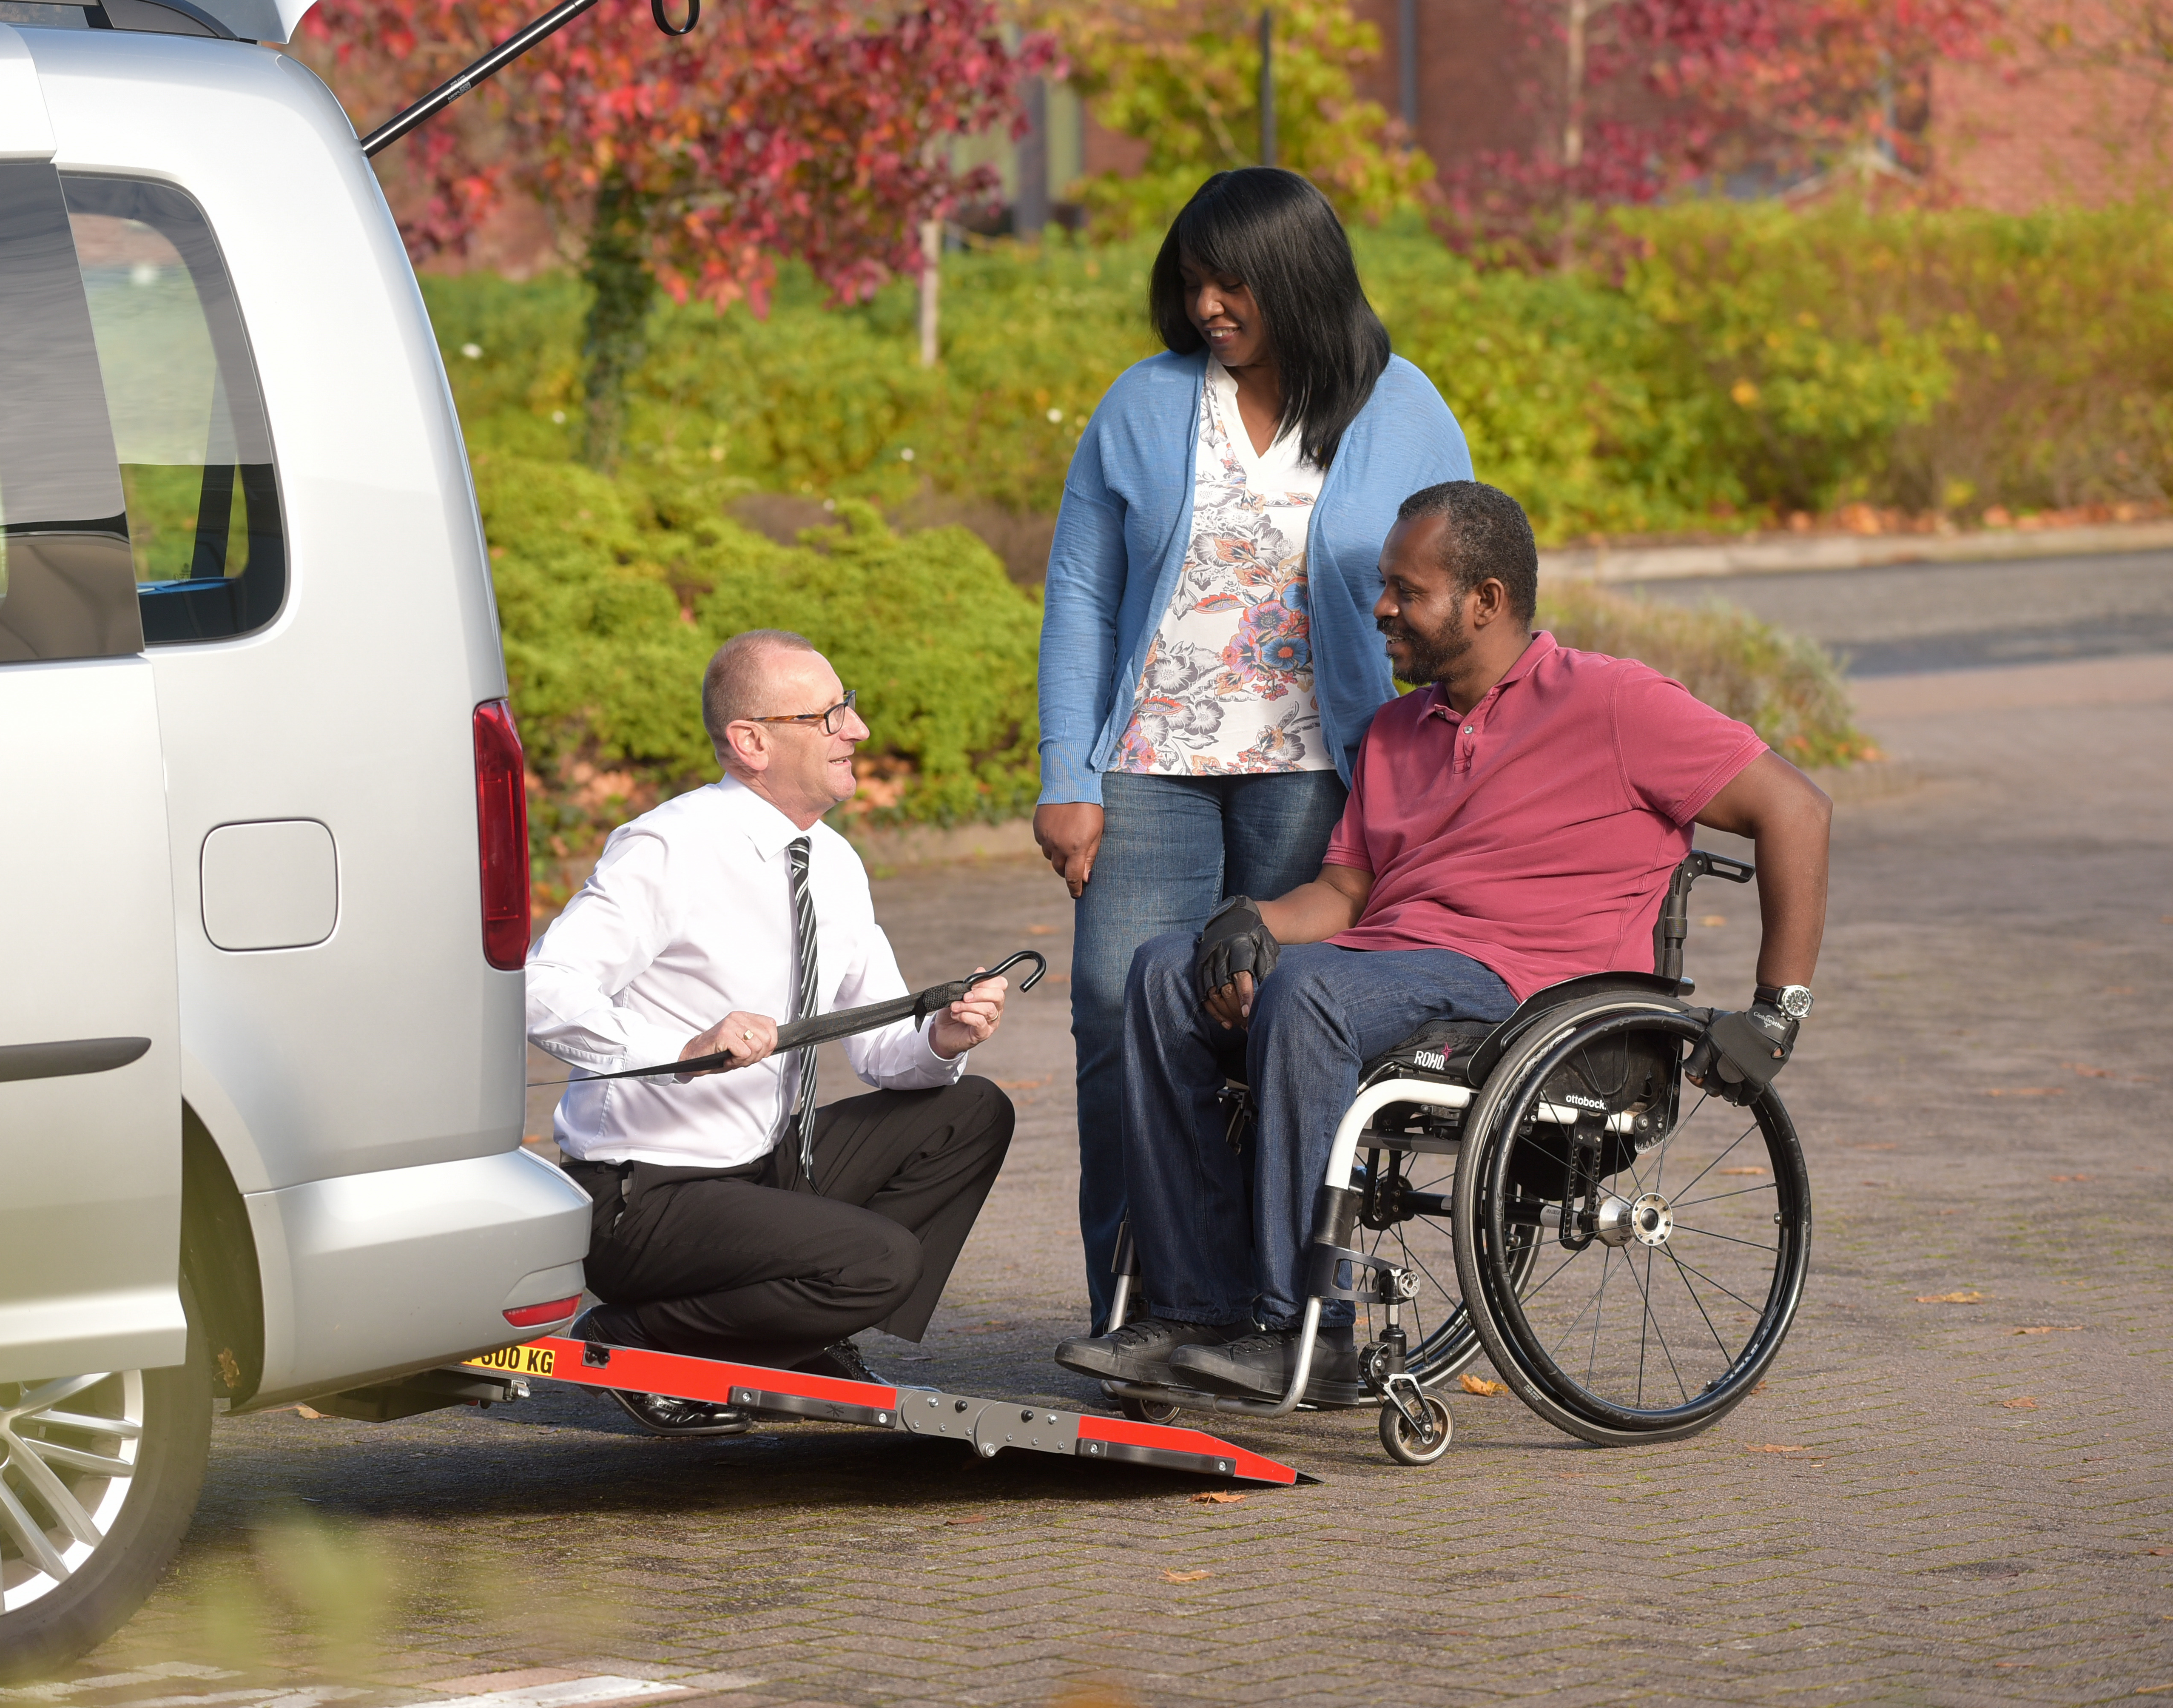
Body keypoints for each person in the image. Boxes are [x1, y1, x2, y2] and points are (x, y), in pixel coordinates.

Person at [1054, 481, 1833, 1402]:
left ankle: (1303, 1324)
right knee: (1158, 971)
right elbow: (1345, 891)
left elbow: (1795, 807)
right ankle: (1192, 1308)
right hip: (1381, 965)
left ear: (1485, 601)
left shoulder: (1616, 703)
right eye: (1383, 585)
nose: (1379, 607)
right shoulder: (1394, 732)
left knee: (1305, 992)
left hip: (1526, 994)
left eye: (1403, 590)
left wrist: (1775, 1010)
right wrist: (1249, 924)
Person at [1031, 166, 1476, 1333]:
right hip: (1148, 769)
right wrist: (1067, 775)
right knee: (1113, 1019)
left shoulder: (1405, 408)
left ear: (1299, 277)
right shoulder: (1142, 403)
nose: (1209, 306)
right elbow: (1082, 593)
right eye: (1192, 284)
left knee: (1271, 1022)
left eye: (1234, 283)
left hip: (1318, 774)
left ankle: (1275, 1309)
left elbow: (1456, 589)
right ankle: (1141, 1313)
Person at [526, 629, 1018, 1435]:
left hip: (766, 1167)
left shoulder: (834, 862)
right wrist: (675, 1052)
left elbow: (881, 1051)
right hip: (645, 1196)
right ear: (751, 742)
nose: (855, 731)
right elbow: (543, 989)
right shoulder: (669, 846)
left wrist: (943, 1040)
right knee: (880, 1262)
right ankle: (633, 1338)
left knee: (972, 1112)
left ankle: (795, 1335)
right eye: (829, 716)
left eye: (848, 708)